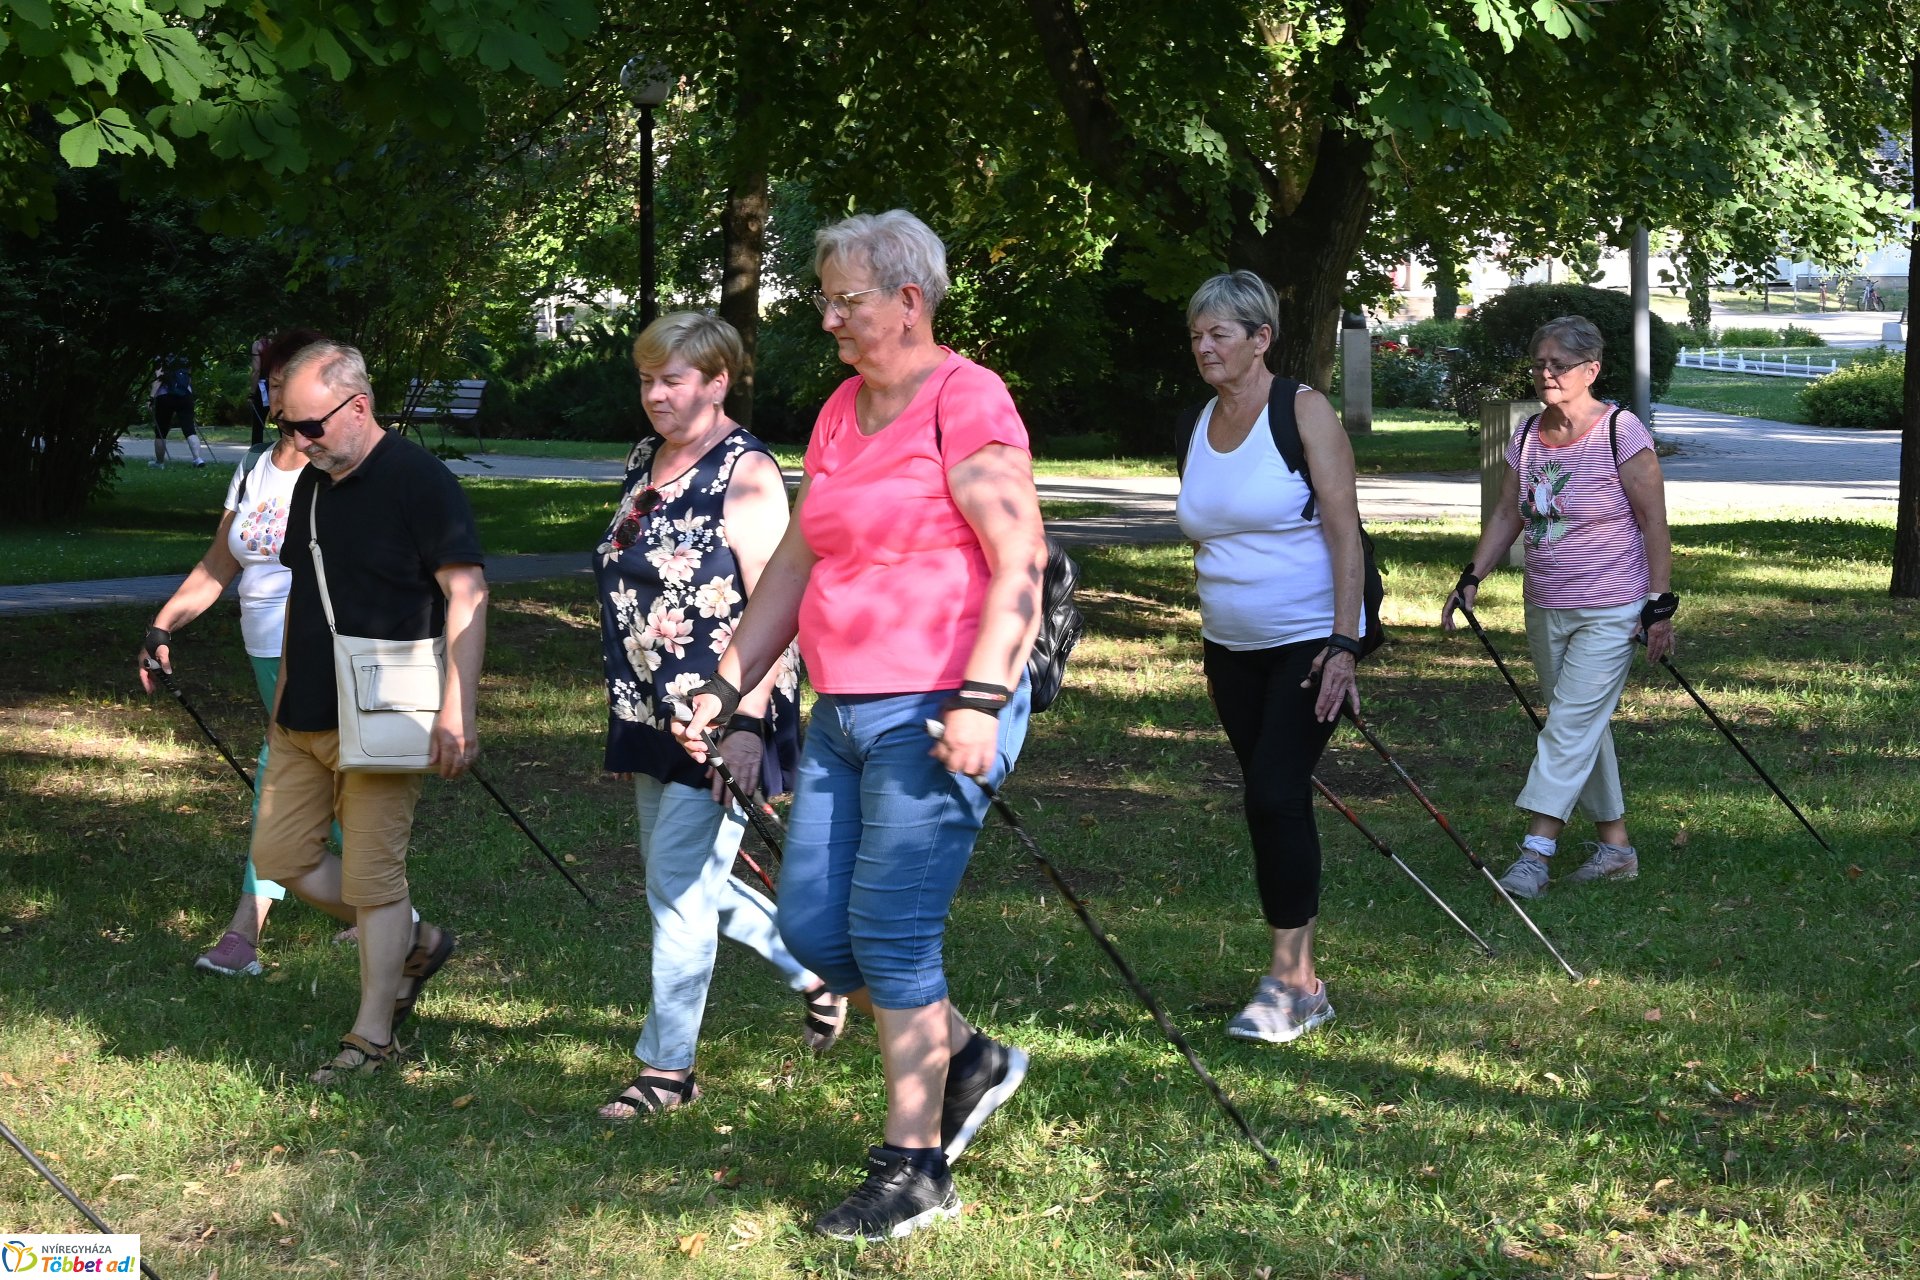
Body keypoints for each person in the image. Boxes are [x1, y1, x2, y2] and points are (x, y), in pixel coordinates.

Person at [676, 210, 1046, 1242]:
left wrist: (980, 697)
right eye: (825, 297)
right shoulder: (843, 409)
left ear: (909, 301)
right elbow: (800, 558)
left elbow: (1018, 559)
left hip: (940, 700)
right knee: (817, 933)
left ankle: (915, 1166)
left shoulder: (966, 402)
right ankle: (968, 1056)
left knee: (890, 931)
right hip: (843, 706)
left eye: (846, 298)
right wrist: (730, 679)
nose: (828, 317)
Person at [592, 312, 846, 1121]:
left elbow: (781, 606)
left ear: (717, 381)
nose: (656, 396)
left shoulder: (748, 474)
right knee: (687, 881)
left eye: (673, 380)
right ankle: (815, 971)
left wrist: (745, 725)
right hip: (648, 711)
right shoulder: (647, 461)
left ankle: (668, 1071)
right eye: (646, 380)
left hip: (725, 715)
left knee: (676, 891)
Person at [243, 339, 487, 1083]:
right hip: (306, 708)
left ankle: (372, 1037)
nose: (298, 442)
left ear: (358, 406)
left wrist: (458, 708)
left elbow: (467, 594)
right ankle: (415, 939)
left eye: (310, 425)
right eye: (287, 426)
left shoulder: (420, 480)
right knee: (278, 857)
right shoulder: (313, 481)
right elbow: (301, 595)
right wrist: (284, 684)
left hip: (387, 708)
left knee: (373, 882)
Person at [1173, 270, 1365, 1048]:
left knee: (1276, 794)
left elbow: (1346, 531)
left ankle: (1290, 982)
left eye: (1220, 334)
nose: (1205, 348)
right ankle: (1302, 978)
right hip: (1230, 649)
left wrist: (1345, 644)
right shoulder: (1198, 423)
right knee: (1267, 796)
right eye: (1196, 335)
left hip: (1308, 643)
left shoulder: (1302, 411)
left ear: (1262, 338)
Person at [1442, 314, 1674, 899]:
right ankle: (1615, 848)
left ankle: (1535, 854)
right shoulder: (1525, 435)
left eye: (1559, 365)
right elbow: (1506, 513)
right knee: (1581, 725)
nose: (1546, 373)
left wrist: (1659, 605)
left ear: (1590, 370)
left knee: (1567, 727)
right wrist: (1474, 576)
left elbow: (1654, 522)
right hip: (1546, 603)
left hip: (1612, 605)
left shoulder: (1622, 431)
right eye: (1540, 363)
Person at [140, 329, 329, 978]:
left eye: (268, 375)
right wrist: (164, 624)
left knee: (279, 781)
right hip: (264, 653)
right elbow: (219, 565)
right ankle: (380, 911)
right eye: (263, 377)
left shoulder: (341, 468)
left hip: (320, 652)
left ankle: (244, 934)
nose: (263, 388)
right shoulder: (253, 468)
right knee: (335, 784)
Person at [149, 353, 211, 469]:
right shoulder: (185, 355)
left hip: (165, 396)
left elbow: (159, 378)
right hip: (185, 395)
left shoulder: (161, 356)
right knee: (190, 430)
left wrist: (151, 398)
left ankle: (160, 463)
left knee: (160, 432)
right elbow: (189, 377)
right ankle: (197, 459)